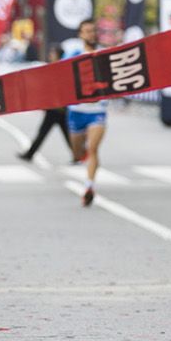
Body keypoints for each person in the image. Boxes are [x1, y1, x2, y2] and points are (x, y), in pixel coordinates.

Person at [65, 20, 105, 206]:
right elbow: (60, 78)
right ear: (80, 34)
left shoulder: (105, 56)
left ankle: (89, 186)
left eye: (93, 31)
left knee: (93, 149)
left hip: (97, 111)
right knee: (78, 152)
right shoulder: (73, 55)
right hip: (76, 111)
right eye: (87, 31)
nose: (91, 34)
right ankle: (80, 156)